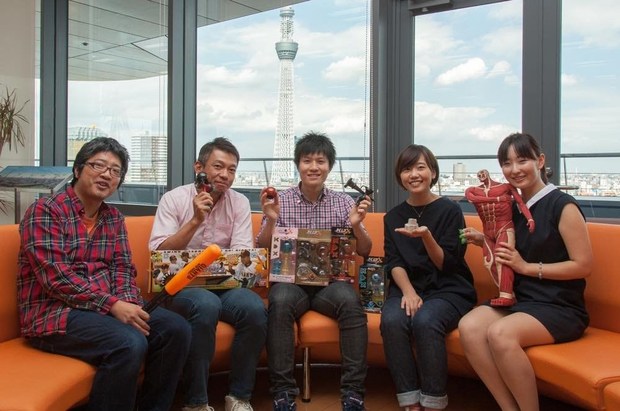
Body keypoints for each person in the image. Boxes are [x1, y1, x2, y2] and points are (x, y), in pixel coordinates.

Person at [17, 137, 191, 411]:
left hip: (102, 309)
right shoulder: (45, 211)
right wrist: (113, 305)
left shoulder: (113, 218)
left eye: (115, 171)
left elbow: (122, 269)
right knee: (128, 342)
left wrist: (128, 303)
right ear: (77, 170)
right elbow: (56, 278)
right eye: (98, 165)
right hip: (54, 313)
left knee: (176, 329)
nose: (107, 174)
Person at [458, 132, 593, 411]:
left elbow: (583, 265)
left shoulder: (562, 205)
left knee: (500, 334)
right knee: (469, 327)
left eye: (522, 161)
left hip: (559, 305)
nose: (515, 169)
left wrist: (526, 267)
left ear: (540, 161)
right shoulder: (514, 207)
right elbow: (514, 248)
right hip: (522, 300)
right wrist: (484, 241)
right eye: (507, 163)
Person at [256, 131, 373, 411]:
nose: (313, 167)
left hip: (330, 286)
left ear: (329, 167)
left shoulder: (344, 202)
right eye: (307, 160)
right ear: (298, 164)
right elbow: (261, 248)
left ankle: (353, 392)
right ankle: (283, 392)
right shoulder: (281, 200)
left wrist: (356, 225)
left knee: (351, 301)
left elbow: (365, 249)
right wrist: (270, 220)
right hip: (290, 283)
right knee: (280, 301)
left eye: (320, 161)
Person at [149, 137, 267, 411]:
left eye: (232, 169)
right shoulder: (173, 199)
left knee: (254, 308)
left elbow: (241, 255)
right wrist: (195, 221)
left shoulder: (239, 202)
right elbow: (159, 255)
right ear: (199, 167)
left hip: (225, 286)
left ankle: (239, 397)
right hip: (181, 287)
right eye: (218, 166)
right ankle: (196, 402)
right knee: (205, 304)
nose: (225, 175)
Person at [380, 144, 476, 411]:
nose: (414, 174)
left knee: (426, 320)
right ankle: (409, 399)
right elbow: (394, 262)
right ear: (400, 176)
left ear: (433, 172)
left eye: (420, 167)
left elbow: (448, 263)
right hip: (408, 287)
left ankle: (433, 401)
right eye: (407, 169)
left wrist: (426, 236)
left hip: (449, 288)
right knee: (392, 320)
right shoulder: (393, 217)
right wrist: (409, 292)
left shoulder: (450, 210)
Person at [463, 169, 535, 306]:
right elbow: (472, 199)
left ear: (488, 174)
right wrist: (498, 199)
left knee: (502, 260)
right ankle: (509, 293)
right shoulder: (472, 190)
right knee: (489, 262)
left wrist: (530, 219)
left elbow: (520, 203)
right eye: (479, 175)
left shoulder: (505, 187)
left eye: (483, 174)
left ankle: (506, 295)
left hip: (504, 227)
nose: (481, 176)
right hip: (487, 230)